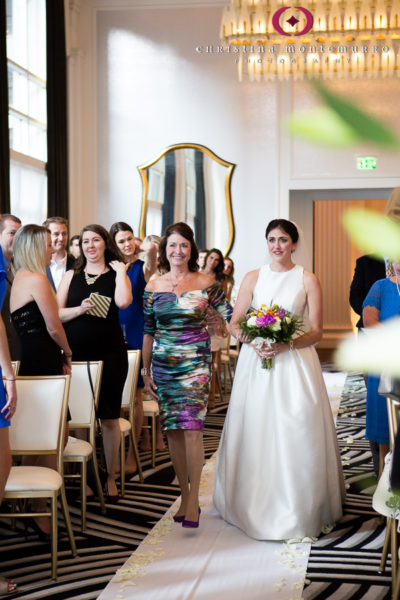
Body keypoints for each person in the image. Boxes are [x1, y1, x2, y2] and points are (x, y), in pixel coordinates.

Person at [213, 218, 344, 541]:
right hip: (256, 363)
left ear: (294, 243)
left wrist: (285, 343)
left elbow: (316, 331)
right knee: (256, 426)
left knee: (295, 426)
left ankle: (300, 506)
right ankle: (249, 502)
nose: (276, 245)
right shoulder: (253, 277)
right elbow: (235, 323)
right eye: (271, 239)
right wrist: (256, 342)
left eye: (283, 239)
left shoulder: (308, 279)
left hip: (295, 365)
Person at [142, 223, 232, 528]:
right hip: (164, 365)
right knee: (174, 432)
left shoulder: (207, 282)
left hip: (196, 365)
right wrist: (145, 372)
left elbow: (231, 316)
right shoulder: (153, 286)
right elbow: (148, 331)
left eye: (183, 245)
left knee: (193, 430)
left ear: (191, 249)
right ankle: (183, 493)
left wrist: (260, 335)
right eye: (172, 245)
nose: (177, 251)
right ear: (164, 250)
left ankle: (194, 500)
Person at [57, 224, 132, 502]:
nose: (90, 245)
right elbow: (56, 314)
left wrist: (122, 271)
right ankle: (89, 478)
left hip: (111, 354)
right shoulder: (70, 275)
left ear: (105, 243)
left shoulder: (115, 273)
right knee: (79, 420)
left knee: (109, 418)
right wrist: (80, 309)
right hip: (76, 356)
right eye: (85, 241)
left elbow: (124, 302)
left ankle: (111, 476)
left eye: (96, 240)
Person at [10, 224, 72, 538]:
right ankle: (39, 509)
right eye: (47, 245)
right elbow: (54, 325)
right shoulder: (37, 279)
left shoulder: (19, 278)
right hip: (44, 361)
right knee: (55, 435)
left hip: (32, 361)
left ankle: (33, 503)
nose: (52, 249)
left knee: (39, 436)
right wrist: (68, 351)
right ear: (35, 248)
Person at [109, 222, 160, 471]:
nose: (127, 244)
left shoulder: (143, 267)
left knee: (136, 397)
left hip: (139, 333)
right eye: (121, 241)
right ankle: (114, 451)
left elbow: (152, 250)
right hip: (112, 334)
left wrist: (142, 247)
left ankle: (132, 453)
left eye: (130, 239)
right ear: (113, 245)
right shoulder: (110, 269)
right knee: (115, 399)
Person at [362, 263, 400, 474]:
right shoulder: (380, 287)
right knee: (386, 429)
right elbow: (370, 323)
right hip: (386, 364)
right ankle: (385, 484)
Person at [203, 248, 228, 408]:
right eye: (211, 257)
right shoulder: (195, 274)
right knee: (200, 363)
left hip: (214, 324)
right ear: (206, 258)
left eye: (217, 259)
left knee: (211, 364)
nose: (213, 261)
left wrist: (225, 323)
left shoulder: (220, 279)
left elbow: (223, 303)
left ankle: (211, 398)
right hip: (198, 322)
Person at [0, 214, 22, 360]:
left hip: (18, 347)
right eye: (12, 233)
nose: (17, 238)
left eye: (19, 234)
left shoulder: (19, 267)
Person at [43, 217, 76, 290]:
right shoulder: (38, 266)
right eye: (56, 234)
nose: (61, 238)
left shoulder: (77, 265)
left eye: (64, 234)